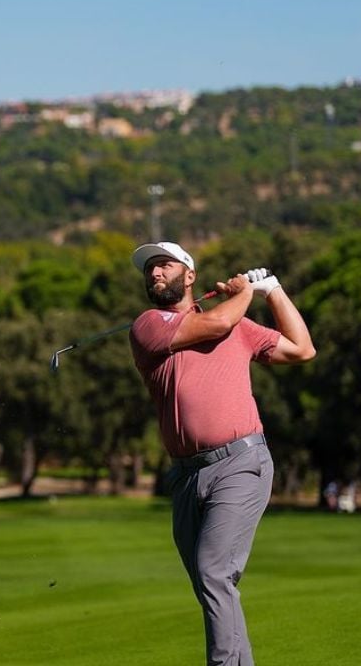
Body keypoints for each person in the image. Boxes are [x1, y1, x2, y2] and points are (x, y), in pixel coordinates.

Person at [128, 242, 315, 666]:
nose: (155, 274)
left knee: (214, 573)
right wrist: (243, 295)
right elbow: (213, 326)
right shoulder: (149, 325)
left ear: (189, 276)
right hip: (186, 475)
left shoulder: (238, 324)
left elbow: (302, 349)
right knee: (210, 584)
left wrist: (272, 291)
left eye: (164, 266)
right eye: (150, 270)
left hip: (240, 463)